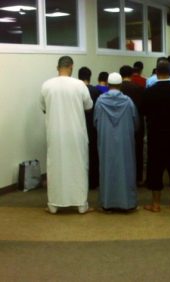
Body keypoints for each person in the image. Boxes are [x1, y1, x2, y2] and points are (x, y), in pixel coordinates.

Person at [41, 56, 94, 214]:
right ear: (71, 67)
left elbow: (43, 108)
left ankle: (53, 204)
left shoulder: (46, 85)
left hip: (55, 133)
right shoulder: (79, 85)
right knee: (78, 166)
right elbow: (88, 106)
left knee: (55, 166)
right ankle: (81, 205)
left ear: (57, 67)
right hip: (76, 133)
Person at [142, 60, 170, 212]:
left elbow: (145, 111)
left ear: (156, 73)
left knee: (155, 168)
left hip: (156, 134)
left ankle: (156, 204)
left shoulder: (149, 91)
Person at [94, 72, 139, 212]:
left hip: (106, 142)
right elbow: (136, 121)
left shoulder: (100, 101)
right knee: (125, 170)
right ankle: (126, 203)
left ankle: (107, 202)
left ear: (108, 85)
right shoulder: (128, 101)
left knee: (107, 169)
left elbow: (95, 121)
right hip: (124, 142)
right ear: (120, 85)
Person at [120, 65, 145, 185]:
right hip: (136, 125)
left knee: (122, 151)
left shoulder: (117, 89)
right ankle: (138, 178)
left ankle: (123, 177)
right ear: (131, 75)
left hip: (120, 125)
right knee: (137, 151)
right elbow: (143, 108)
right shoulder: (139, 89)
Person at [78, 66, 101, 190]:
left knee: (79, 155)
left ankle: (81, 181)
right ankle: (94, 182)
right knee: (93, 154)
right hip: (93, 127)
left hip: (78, 126)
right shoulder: (96, 91)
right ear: (90, 77)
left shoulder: (76, 90)